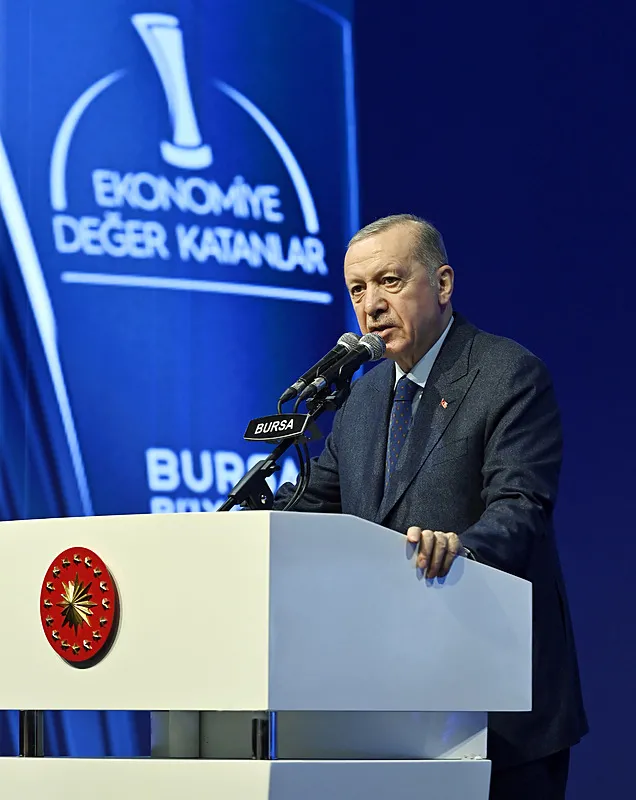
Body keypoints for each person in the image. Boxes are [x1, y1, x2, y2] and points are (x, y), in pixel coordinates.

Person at [274, 214, 588, 799]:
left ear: (442, 284)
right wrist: (244, 529)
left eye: (389, 281)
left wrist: (460, 548)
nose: (371, 305)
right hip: (388, 705)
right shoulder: (363, 397)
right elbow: (312, 503)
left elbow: (521, 507)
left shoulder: (507, 374)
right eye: (357, 290)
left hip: (498, 705)